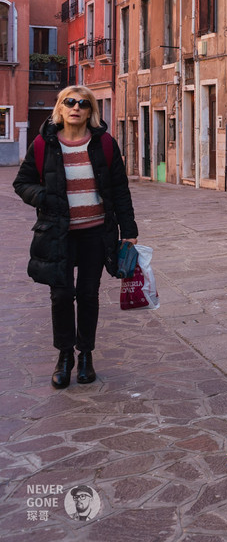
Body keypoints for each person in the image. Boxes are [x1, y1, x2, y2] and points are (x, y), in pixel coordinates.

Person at [13, 86, 138, 389]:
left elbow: (120, 190)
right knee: (60, 295)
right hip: (58, 235)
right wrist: (46, 196)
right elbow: (22, 182)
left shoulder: (105, 143)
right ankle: (64, 355)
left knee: (88, 296)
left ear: (90, 110)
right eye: (70, 102)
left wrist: (129, 231)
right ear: (60, 107)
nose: (76, 107)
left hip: (96, 233)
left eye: (83, 103)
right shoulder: (44, 143)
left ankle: (86, 356)